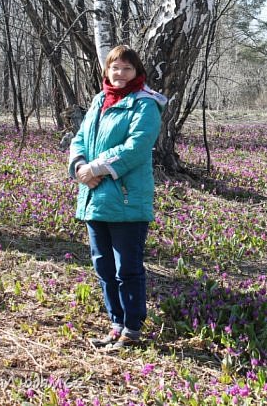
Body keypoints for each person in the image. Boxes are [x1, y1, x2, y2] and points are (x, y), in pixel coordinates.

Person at [68, 45, 166, 350]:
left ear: (137, 72)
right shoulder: (100, 101)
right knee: (104, 267)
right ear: (106, 71)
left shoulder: (145, 105)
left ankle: (132, 329)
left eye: (127, 68)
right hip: (95, 198)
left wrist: (97, 167)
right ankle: (116, 323)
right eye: (115, 68)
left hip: (126, 202)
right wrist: (81, 165)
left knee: (128, 269)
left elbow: (136, 147)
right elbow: (79, 138)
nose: (120, 74)